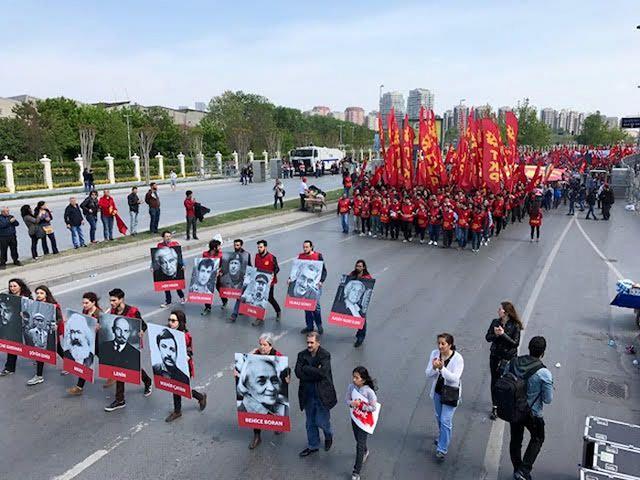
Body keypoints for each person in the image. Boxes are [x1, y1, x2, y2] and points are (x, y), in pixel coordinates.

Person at [508, 336, 553, 480]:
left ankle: (517, 469)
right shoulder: (544, 373)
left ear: (529, 348)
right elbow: (547, 399)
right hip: (532, 413)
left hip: (514, 409)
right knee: (538, 438)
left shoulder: (514, 362)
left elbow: (505, 378)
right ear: (543, 353)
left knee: (515, 440)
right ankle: (524, 470)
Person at [235, 333, 290, 448]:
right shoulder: (255, 355)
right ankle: (257, 436)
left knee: (276, 410)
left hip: (273, 394)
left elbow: (286, 370)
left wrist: (287, 377)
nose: (262, 347)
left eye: (265, 345)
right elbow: (244, 368)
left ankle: (277, 424)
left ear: (270, 345)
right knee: (256, 412)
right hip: (259, 394)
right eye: (260, 344)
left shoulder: (278, 356)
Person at [105, 288, 153, 411]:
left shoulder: (133, 311)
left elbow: (143, 325)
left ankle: (147, 381)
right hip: (118, 346)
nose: (111, 303)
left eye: (114, 300)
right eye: (110, 300)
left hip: (132, 345)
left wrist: (141, 331)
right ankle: (120, 399)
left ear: (121, 299)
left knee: (133, 367)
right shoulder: (113, 311)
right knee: (120, 370)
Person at [295, 331, 337, 457]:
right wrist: (314, 372)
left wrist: (306, 369)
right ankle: (313, 445)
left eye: (312, 342)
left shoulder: (325, 355)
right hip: (308, 395)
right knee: (310, 423)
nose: (309, 345)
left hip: (322, 395)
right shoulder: (302, 355)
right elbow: (298, 373)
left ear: (318, 342)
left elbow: (323, 373)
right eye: (307, 342)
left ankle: (328, 435)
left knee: (321, 421)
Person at [161, 310, 207, 422]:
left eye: (173, 321)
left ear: (180, 322)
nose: (170, 322)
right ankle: (200, 397)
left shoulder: (185, 336)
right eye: (169, 320)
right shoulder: (167, 332)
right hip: (172, 367)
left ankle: (178, 411)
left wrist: (186, 356)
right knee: (179, 388)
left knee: (178, 388)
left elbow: (189, 351)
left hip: (183, 367)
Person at [425, 333, 464, 460]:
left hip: (450, 393)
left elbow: (454, 379)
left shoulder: (458, 359)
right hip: (438, 391)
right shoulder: (434, 354)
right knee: (439, 417)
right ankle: (442, 436)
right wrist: (434, 368)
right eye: (439, 343)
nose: (440, 346)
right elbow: (428, 374)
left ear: (450, 345)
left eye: (443, 344)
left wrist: (442, 369)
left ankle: (442, 449)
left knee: (445, 420)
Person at [485, 301, 522, 420]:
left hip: (508, 358)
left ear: (506, 312)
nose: (498, 311)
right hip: (496, 355)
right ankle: (495, 406)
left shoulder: (515, 325)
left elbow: (515, 343)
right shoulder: (495, 322)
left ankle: (509, 403)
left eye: (500, 309)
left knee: (510, 381)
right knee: (495, 380)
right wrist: (496, 335)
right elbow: (488, 337)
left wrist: (503, 334)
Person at [28, 285, 65, 386]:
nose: (39, 295)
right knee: (41, 352)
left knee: (58, 349)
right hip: (40, 334)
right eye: (37, 293)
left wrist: (56, 324)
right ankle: (39, 376)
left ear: (46, 294)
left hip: (51, 333)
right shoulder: (35, 305)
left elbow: (59, 318)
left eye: (41, 293)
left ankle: (70, 365)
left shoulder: (53, 305)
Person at [67, 292, 102, 396]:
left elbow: (105, 329)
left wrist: (99, 328)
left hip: (97, 343)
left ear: (93, 302)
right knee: (85, 365)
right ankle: (79, 387)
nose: (84, 305)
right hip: (88, 344)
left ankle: (114, 376)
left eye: (86, 303)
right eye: (83, 303)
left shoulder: (99, 314)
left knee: (107, 362)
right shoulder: (85, 312)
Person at [346, 366, 378, 480]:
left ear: (363, 380)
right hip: (355, 419)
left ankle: (356, 472)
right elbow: (347, 400)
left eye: (356, 378)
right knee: (358, 439)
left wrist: (362, 406)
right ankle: (365, 450)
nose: (354, 380)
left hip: (364, 422)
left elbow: (373, 407)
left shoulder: (369, 392)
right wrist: (352, 403)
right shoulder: (351, 387)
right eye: (353, 377)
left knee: (359, 444)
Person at [0, 278, 32, 376]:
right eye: (10, 286)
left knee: (33, 346)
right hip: (14, 327)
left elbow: (31, 312)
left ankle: (40, 360)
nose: (12, 288)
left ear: (20, 287)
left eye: (15, 286)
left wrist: (25, 314)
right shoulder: (8, 298)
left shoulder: (27, 298)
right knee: (12, 347)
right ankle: (9, 368)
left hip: (25, 327)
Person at [296, 240, 328, 335]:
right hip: (304, 286)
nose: (305, 249)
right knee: (306, 307)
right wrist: (291, 279)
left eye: (307, 247)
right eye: (304, 247)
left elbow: (324, 271)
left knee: (315, 307)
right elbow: (296, 270)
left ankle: (319, 325)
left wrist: (321, 281)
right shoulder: (300, 256)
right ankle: (309, 326)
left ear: (311, 247)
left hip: (315, 286)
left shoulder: (318, 256)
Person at [155, 231, 186, 307]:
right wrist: (152, 267)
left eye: (169, 236)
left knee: (176, 284)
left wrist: (183, 265)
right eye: (166, 236)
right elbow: (157, 258)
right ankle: (168, 301)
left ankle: (182, 297)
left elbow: (180, 256)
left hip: (174, 268)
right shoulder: (159, 245)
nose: (168, 238)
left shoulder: (175, 244)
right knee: (166, 286)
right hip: (165, 269)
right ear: (163, 238)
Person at [348, 260, 372, 348]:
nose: (358, 268)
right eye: (357, 266)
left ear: (364, 267)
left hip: (361, 301)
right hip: (353, 300)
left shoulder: (367, 277)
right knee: (356, 317)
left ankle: (361, 337)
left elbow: (368, 289)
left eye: (360, 266)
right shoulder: (352, 274)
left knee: (362, 318)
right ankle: (359, 332)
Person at [228, 239, 252, 323]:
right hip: (236, 280)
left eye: (237, 245)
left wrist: (248, 275)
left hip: (244, 279)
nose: (236, 247)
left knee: (239, 297)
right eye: (235, 245)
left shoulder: (246, 255)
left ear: (241, 245)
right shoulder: (232, 255)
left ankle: (234, 315)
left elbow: (250, 266)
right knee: (241, 296)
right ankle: (242, 308)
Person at [201, 239, 225, 315]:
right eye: (219, 246)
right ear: (214, 248)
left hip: (218, 276)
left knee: (220, 289)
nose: (220, 247)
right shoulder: (205, 254)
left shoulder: (220, 255)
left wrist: (219, 271)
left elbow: (223, 265)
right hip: (209, 276)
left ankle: (225, 300)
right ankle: (207, 307)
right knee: (207, 291)